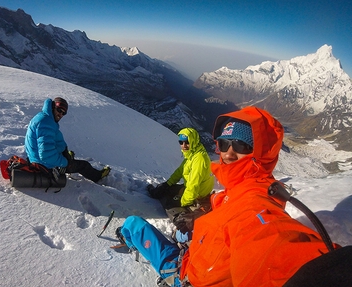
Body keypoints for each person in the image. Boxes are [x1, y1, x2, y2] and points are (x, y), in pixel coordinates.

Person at [118, 106, 348, 287]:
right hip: (197, 254)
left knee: (132, 224)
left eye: (241, 145)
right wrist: (202, 216)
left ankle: (125, 237)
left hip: (187, 275)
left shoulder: (253, 202)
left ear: (261, 153)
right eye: (224, 143)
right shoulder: (239, 189)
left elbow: (269, 243)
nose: (228, 153)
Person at [25, 97, 110, 183]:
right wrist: (63, 162)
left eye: (63, 113)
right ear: (53, 107)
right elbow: (45, 154)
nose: (61, 114)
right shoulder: (46, 123)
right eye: (59, 110)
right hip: (45, 164)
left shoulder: (45, 118)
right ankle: (98, 176)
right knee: (84, 165)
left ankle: (67, 158)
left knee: (68, 155)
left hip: (37, 158)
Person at [147, 128, 215, 216]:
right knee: (166, 189)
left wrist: (182, 202)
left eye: (187, 142)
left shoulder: (199, 159)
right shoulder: (192, 154)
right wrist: (167, 184)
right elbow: (180, 171)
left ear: (193, 141)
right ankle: (156, 192)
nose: (184, 145)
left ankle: (182, 218)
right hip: (191, 189)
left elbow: (194, 185)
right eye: (181, 142)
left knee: (170, 205)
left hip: (198, 194)